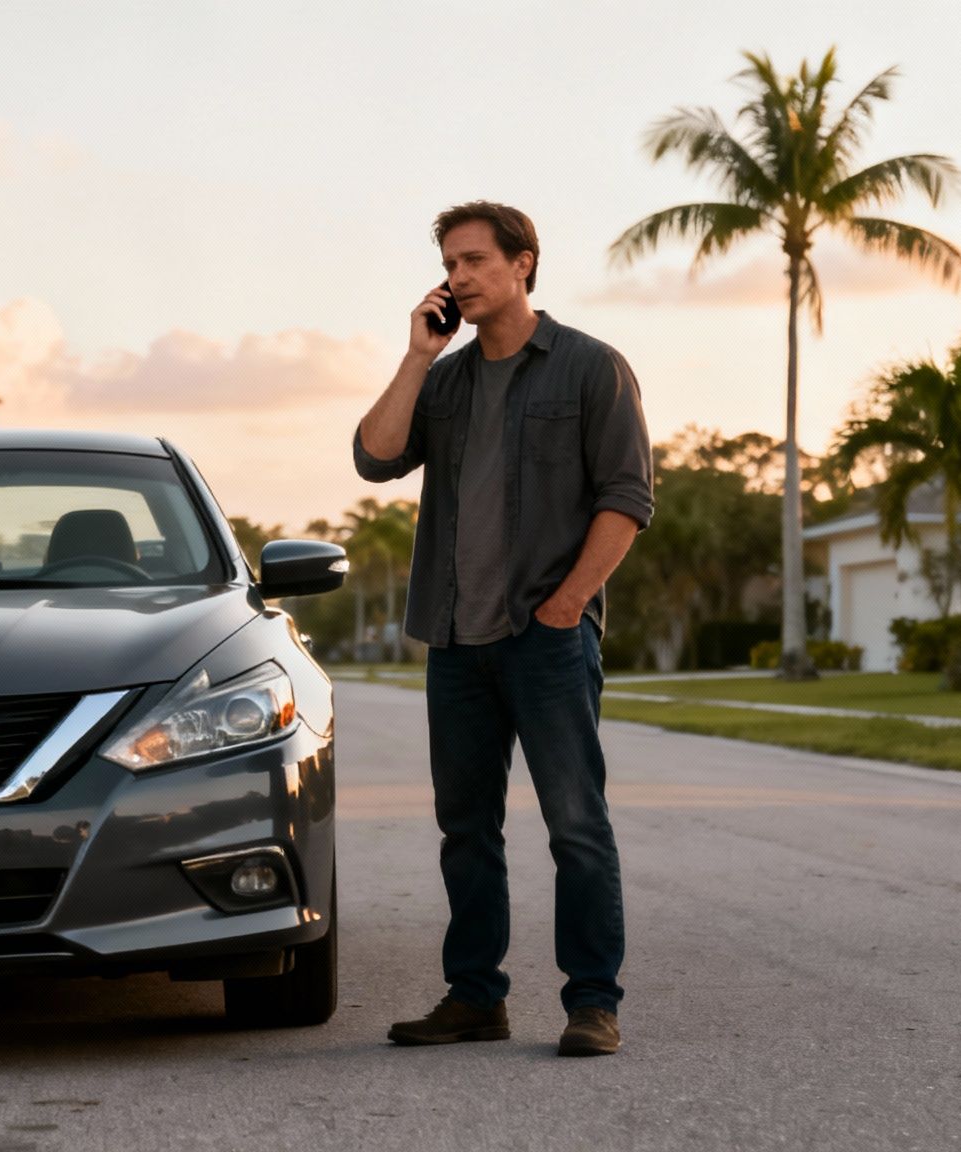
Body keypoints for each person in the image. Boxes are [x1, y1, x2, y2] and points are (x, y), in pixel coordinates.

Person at [354, 201, 653, 1057]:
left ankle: (593, 1001)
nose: (460, 276)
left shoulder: (592, 369)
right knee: (466, 831)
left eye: (477, 260)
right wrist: (418, 355)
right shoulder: (443, 381)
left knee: (576, 826)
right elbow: (374, 456)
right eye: (451, 262)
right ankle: (475, 996)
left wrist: (565, 607)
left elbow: (627, 499)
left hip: (547, 640)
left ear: (525, 264)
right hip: (456, 642)